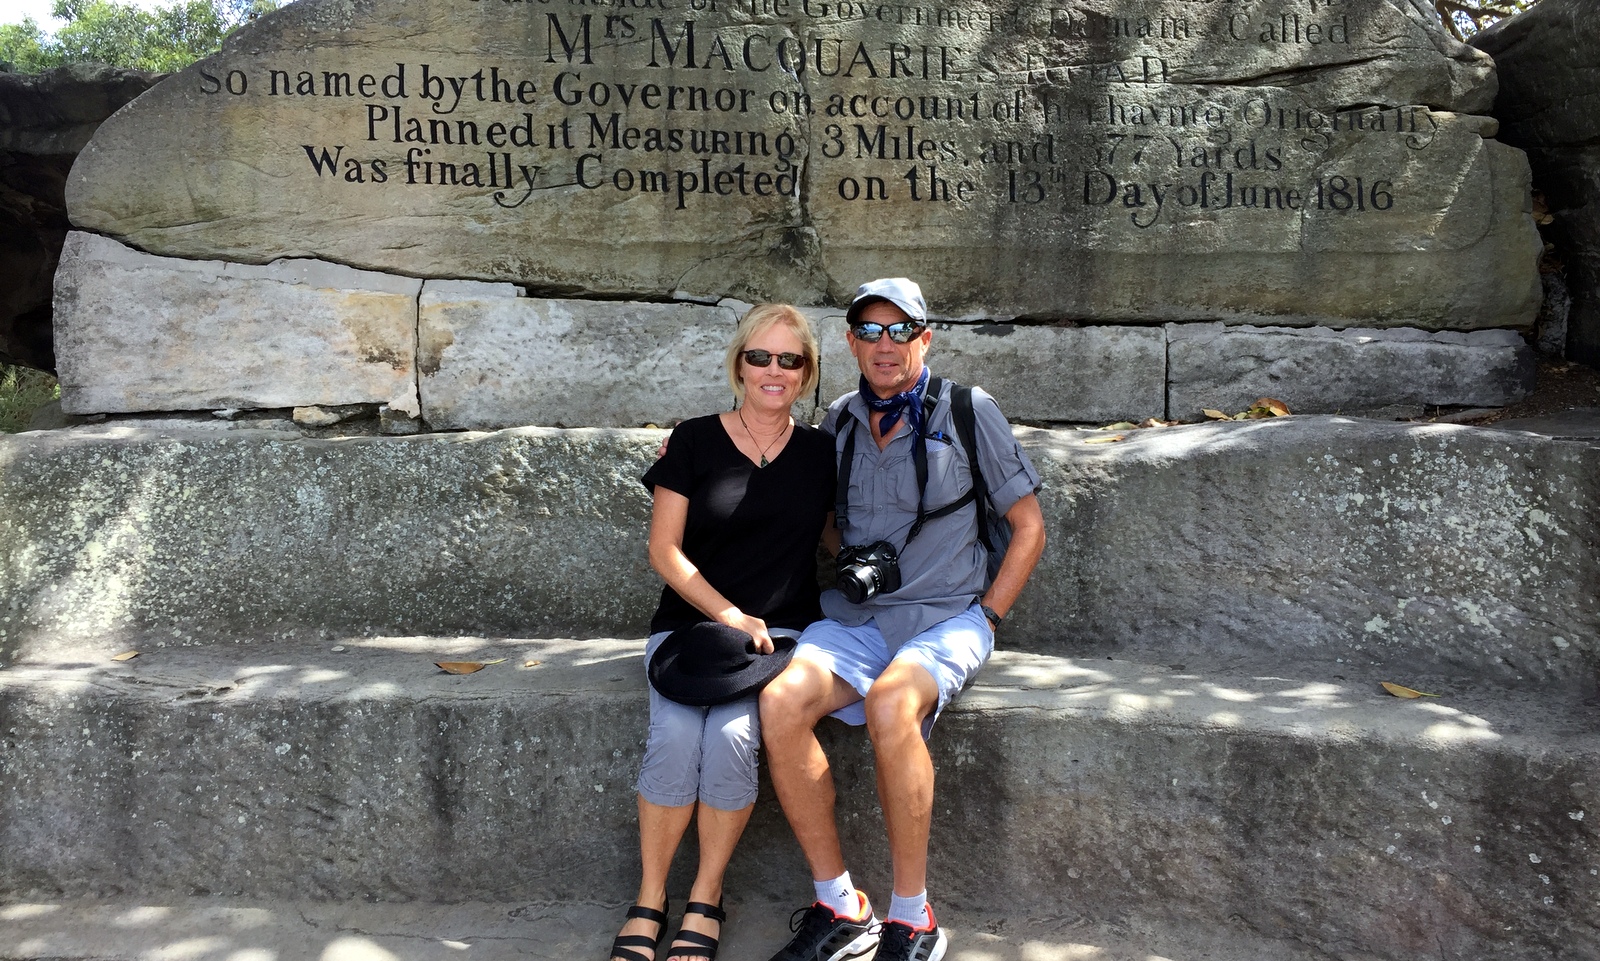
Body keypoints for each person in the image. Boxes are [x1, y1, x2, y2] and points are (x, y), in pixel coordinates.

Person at [759, 278, 1047, 961]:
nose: (884, 346)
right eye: (869, 331)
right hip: (860, 615)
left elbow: (1027, 525)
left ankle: (912, 917)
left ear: (925, 337)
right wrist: (686, 454)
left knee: (892, 701)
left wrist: (991, 613)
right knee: (779, 701)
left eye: (899, 330)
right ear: (852, 341)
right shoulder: (838, 422)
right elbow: (812, 509)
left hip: (948, 615)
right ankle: (841, 905)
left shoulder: (969, 410)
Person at [611, 304, 837, 961]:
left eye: (788, 359)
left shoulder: (823, 453)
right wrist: (728, 613)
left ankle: (706, 894)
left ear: (807, 373)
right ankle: (651, 897)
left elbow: (840, 535)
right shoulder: (694, 442)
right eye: (759, 357)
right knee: (677, 734)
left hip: (778, 636)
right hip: (691, 630)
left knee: (737, 735)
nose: (773, 370)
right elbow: (665, 550)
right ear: (738, 365)